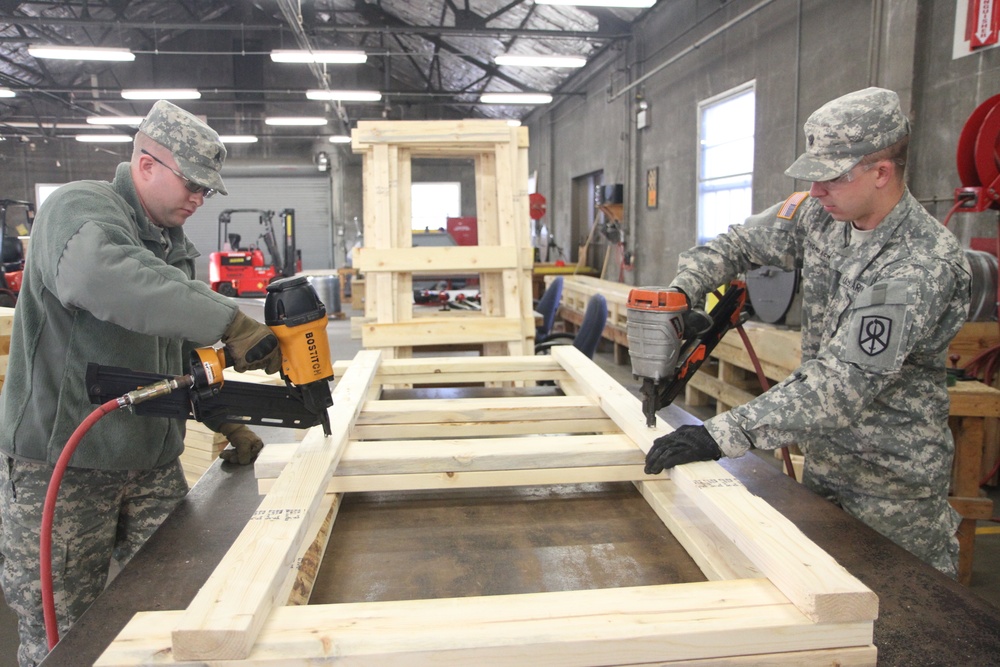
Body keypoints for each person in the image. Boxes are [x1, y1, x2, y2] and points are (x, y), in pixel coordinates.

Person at [644, 87, 971, 578]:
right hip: (824, 462)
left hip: (890, 486)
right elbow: (737, 243)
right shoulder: (822, 215)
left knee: (904, 618)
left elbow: (841, 384)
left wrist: (720, 434)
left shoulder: (920, 264)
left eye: (831, 178)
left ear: (882, 173)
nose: (815, 191)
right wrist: (680, 294)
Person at [0, 100, 282, 666]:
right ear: (146, 164)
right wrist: (227, 319)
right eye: (193, 184)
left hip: (152, 464)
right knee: (66, 634)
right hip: (64, 467)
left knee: (184, 608)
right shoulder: (79, 208)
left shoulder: (174, 249)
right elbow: (103, 276)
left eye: (209, 190)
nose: (200, 198)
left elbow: (176, 350)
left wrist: (220, 412)